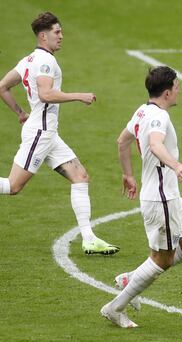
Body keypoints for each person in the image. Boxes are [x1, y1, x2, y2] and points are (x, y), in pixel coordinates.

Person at [0, 12, 118, 255]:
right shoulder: (45, 62)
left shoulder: (27, 60)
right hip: (41, 133)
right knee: (13, 186)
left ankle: (89, 239)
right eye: (57, 32)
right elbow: (45, 94)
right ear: (43, 36)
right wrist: (79, 96)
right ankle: (89, 238)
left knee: (80, 177)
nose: (61, 36)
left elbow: (2, 86)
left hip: (47, 132)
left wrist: (21, 112)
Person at [101, 66, 182, 328]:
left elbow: (122, 142)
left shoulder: (142, 110)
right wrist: (177, 166)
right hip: (161, 199)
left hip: (169, 195)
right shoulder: (159, 117)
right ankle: (115, 307)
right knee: (163, 259)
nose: (180, 90)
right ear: (167, 92)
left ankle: (131, 278)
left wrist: (128, 174)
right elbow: (156, 144)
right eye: (178, 86)